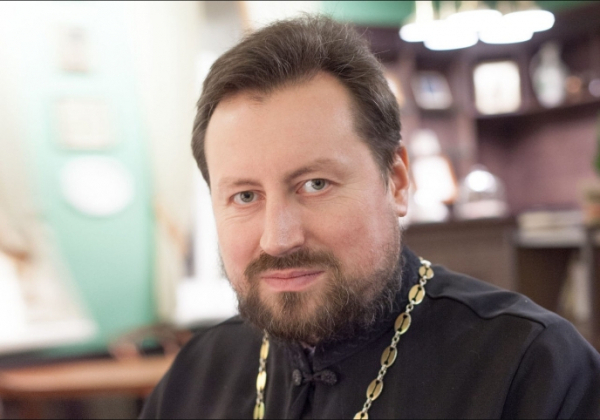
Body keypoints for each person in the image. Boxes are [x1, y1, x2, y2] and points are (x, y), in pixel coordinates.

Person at [140, 16, 600, 419]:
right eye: (245, 196)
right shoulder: (194, 376)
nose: (278, 239)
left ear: (396, 181)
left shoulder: (532, 368)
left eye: (315, 184)